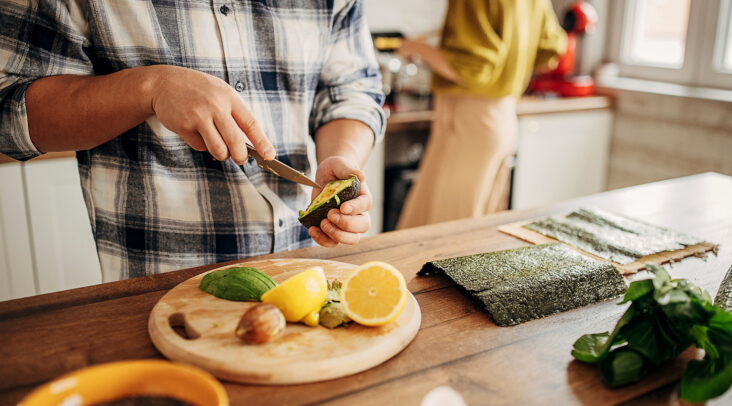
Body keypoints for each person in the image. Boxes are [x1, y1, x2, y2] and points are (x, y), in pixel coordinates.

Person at [0, 1, 385, 282]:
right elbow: (10, 111)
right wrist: (150, 87)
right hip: (158, 286)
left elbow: (351, 90)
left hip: (301, 270)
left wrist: (340, 160)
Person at [395, 0, 566, 229]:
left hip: (469, 123)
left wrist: (415, 48)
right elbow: (550, 50)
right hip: (504, 117)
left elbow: (471, 70)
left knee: (444, 235)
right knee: (477, 231)